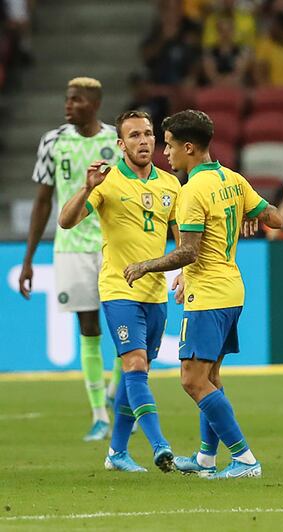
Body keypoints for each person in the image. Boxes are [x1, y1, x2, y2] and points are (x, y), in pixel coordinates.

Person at [123, 110, 282, 479]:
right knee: (210, 377)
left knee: (192, 380)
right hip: (231, 290)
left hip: (208, 295)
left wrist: (146, 265)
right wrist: (258, 216)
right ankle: (207, 459)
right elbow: (273, 216)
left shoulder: (191, 191)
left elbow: (189, 251)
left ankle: (244, 459)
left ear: (189, 147)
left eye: (170, 144)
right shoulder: (233, 179)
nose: (165, 153)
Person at [58, 111, 181, 473]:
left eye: (148, 134)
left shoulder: (171, 185)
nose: (143, 141)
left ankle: (116, 453)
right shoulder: (108, 182)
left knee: (136, 374)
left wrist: (185, 273)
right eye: (134, 136)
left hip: (155, 292)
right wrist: (87, 188)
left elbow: (182, 236)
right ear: (120, 144)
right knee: (135, 364)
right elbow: (66, 221)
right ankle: (160, 446)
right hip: (118, 288)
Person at [19, 77, 121, 442]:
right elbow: (43, 200)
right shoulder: (53, 141)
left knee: (126, 329)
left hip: (115, 246)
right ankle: (99, 416)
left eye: (76, 100)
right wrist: (29, 258)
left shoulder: (116, 141)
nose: (68, 105)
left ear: (93, 104)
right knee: (89, 329)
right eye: (66, 99)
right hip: (72, 247)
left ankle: (116, 397)